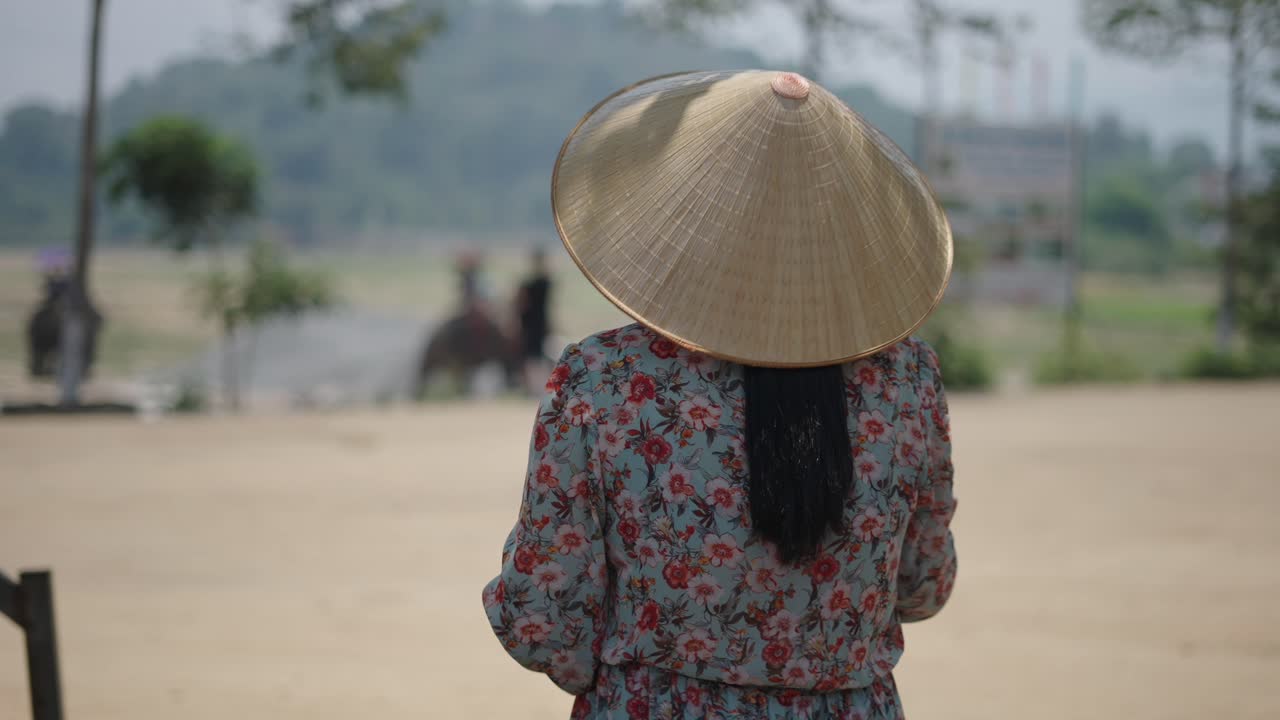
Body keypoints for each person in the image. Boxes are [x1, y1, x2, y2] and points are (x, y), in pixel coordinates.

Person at [482, 71, 957, 719]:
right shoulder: (909, 380)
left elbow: (543, 619)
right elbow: (924, 586)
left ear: (682, 214)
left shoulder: (603, 377)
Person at [515, 248, 553, 389]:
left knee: (535, 355)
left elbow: (522, 303)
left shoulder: (535, 283)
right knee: (535, 355)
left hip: (533, 324)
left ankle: (536, 386)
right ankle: (537, 385)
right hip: (536, 322)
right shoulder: (544, 282)